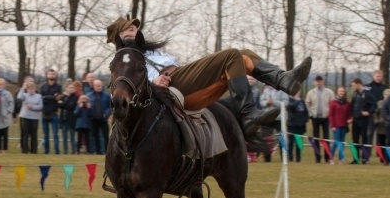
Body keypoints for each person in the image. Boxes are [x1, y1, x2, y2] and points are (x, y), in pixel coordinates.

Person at [107, 17, 312, 137]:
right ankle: (248, 114)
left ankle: (284, 80)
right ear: (120, 35)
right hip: (171, 89)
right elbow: (125, 88)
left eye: (135, 27)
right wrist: (153, 83)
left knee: (244, 56)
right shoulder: (124, 61)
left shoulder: (147, 51)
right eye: (129, 28)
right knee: (231, 55)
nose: (135, 29)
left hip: (181, 78)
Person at [305, 75, 333, 163]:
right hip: (315, 118)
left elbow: (333, 104)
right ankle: (317, 157)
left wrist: (330, 114)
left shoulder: (329, 92)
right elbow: (307, 104)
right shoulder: (311, 93)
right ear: (314, 82)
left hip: (325, 118)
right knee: (316, 138)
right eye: (317, 81)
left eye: (320, 81)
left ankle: (327, 157)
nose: (319, 83)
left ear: (323, 81)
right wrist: (310, 114)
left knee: (326, 138)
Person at [350, 78, 376, 164]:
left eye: (354, 85)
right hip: (355, 120)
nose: (353, 87)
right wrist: (351, 116)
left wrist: (368, 112)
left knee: (364, 140)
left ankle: (364, 158)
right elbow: (352, 106)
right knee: (355, 140)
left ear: (358, 84)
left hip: (364, 120)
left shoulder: (367, 94)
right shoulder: (355, 94)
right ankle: (355, 158)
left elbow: (374, 105)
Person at [40, 69, 62, 154]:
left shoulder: (59, 87)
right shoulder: (43, 87)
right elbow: (41, 98)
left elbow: (58, 98)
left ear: (55, 76)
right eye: (50, 74)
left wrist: (46, 97)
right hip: (44, 113)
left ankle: (57, 151)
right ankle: (46, 151)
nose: (52, 76)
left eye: (53, 74)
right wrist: (53, 97)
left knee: (55, 134)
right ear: (47, 75)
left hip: (54, 113)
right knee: (46, 135)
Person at [87, 79, 112, 155]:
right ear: (93, 86)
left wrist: (107, 114)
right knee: (95, 136)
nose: (99, 87)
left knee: (105, 136)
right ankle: (98, 152)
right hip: (93, 119)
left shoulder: (107, 96)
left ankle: (107, 151)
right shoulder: (89, 96)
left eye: (100, 85)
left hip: (103, 119)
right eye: (97, 86)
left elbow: (111, 107)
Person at [17, 81, 42, 154]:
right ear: (27, 89)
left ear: (35, 89)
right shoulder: (24, 95)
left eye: (32, 89)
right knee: (25, 134)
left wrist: (33, 107)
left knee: (34, 134)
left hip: (34, 118)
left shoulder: (38, 96)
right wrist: (22, 88)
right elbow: (19, 97)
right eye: (29, 89)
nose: (31, 90)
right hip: (25, 117)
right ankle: (25, 150)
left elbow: (40, 106)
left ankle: (34, 150)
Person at [328, 86, 351, 164]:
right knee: (336, 142)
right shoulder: (333, 102)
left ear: (345, 93)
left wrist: (349, 119)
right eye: (340, 91)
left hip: (344, 125)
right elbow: (331, 115)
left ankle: (340, 159)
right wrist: (332, 126)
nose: (341, 92)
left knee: (342, 143)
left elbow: (348, 114)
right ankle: (331, 158)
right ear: (337, 92)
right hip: (336, 126)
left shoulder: (347, 103)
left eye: (343, 91)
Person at [0, 78, 14, 154]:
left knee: (5, 134)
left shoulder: (7, 93)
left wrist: (8, 111)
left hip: (5, 117)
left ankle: (4, 149)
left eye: (1, 84)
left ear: (4, 85)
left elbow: (11, 103)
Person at [286, 92, 308, 162]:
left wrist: (304, 120)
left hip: (300, 125)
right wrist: (298, 100)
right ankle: (290, 157)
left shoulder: (302, 101)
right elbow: (292, 107)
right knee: (291, 142)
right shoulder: (289, 100)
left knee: (299, 142)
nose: (297, 94)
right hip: (292, 125)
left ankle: (298, 158)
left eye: (297, 92)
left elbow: (306, 112)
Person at [59, 82, 78, 155]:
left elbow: (72, 106)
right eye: (69, 88)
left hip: (71, 120)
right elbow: (59, 105)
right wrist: (65, 104)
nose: (71, 89)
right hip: (63, 120)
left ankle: (73, 151)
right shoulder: (63, 97)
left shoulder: (75, 97)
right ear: (66, 89)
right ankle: (65, 151)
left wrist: (63, 104)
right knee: (64, 137)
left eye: (72, 88)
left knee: (72, 137)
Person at [374, 88, 390, 153]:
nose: (387, 96)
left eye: (389, 95)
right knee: (381, 142)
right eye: (386, 94)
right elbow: (376, 113)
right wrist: (376, 120)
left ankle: (388, 156)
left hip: (389, 125)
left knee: (389, 142)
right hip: (380, 126)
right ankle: (382, 156)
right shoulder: (379, 103)